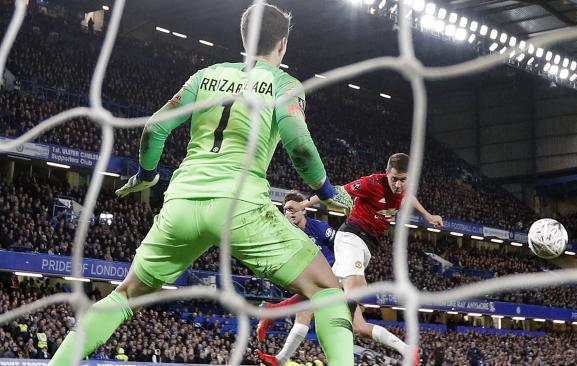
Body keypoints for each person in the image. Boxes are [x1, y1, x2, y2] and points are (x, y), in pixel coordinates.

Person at [47, 4, 355, 365]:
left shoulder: (205, 76)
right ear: (283, 44)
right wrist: (328, 193)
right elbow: (300, 146)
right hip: (239, 207)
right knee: (327, 291)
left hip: (181, 203)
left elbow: (154, 129)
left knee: (125, 294)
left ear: (243, 38)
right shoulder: (283, 84)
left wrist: (147, 175)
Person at [258, 153, 443, 365]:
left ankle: (276, 327)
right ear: (386, 174)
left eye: (403, 179)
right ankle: (336, 331)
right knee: (357, 285)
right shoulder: (372, 183)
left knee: (332, 298)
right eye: (394, 179)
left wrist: (428, 216)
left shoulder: (404, 187)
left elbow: (407, 197)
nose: (398, 184)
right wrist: (306, 203)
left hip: (368, 246)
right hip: (351, 237)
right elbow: (337, 191)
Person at [256, 191, 336, 366]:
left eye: (293, 209)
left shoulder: (319, 228)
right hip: (314, 281)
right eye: (286, 210)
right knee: (304, 314)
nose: (289, 213)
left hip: (335, 275)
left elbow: (341, 245)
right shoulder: (286, 235)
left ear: (303, 211)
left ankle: (274, 312)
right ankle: (281, 358)